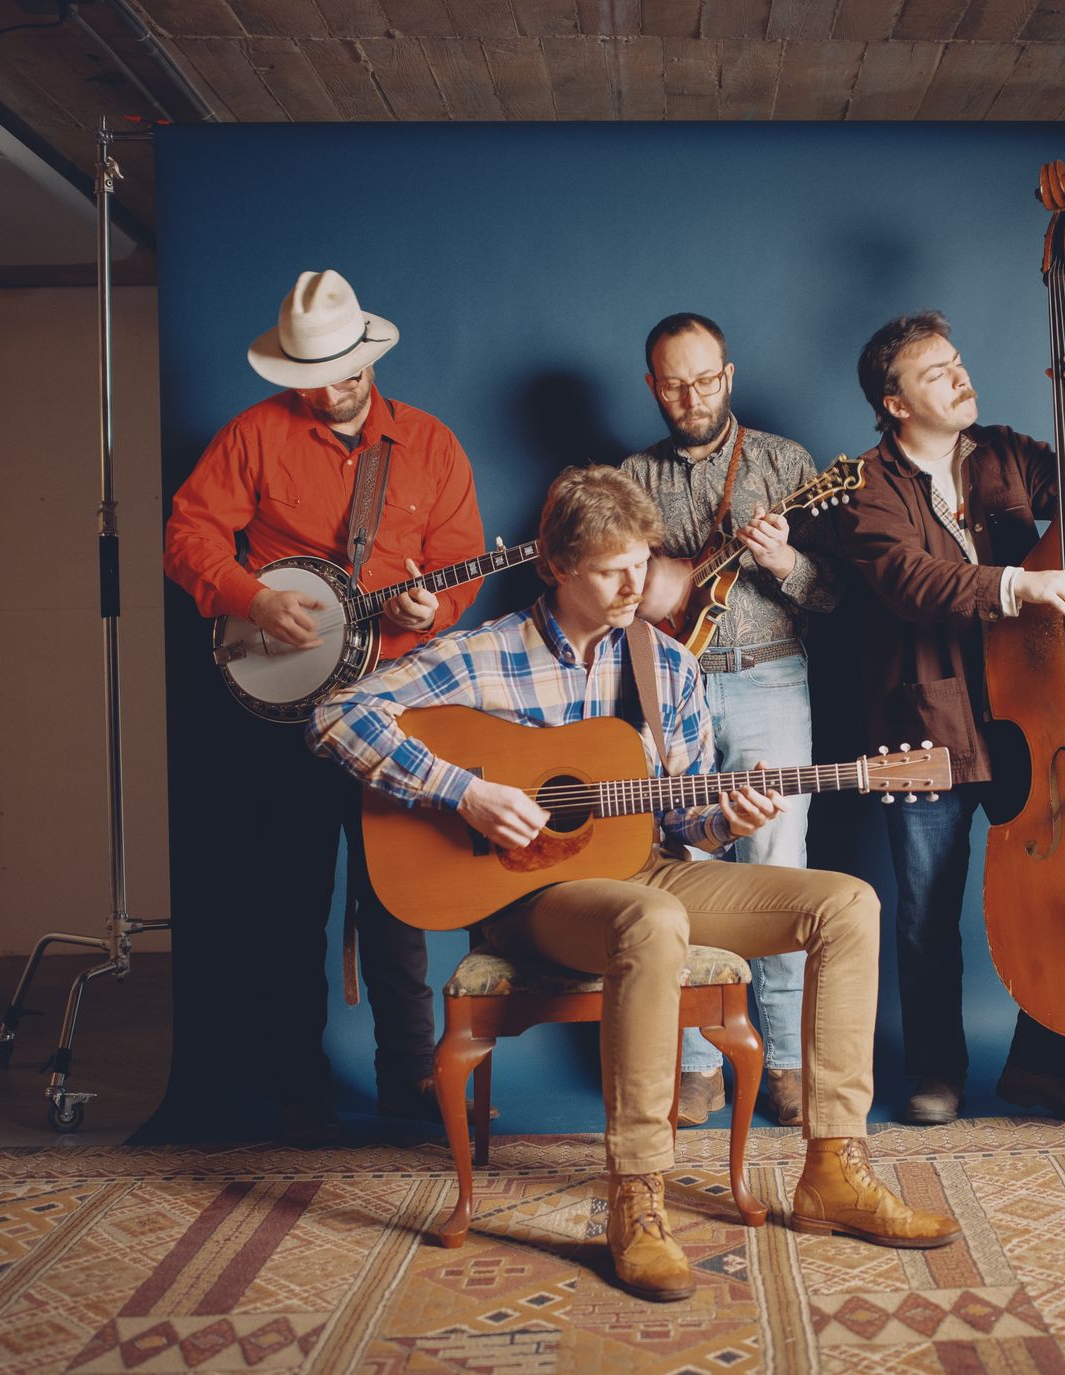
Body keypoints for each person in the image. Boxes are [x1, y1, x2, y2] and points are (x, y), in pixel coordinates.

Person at [310, 465, 958, 1302]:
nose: (632, 585)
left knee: (848, 903)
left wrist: (731, 816)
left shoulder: (666, 665)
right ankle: (638, 1197)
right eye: (611, 569)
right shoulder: (487, 653)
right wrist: (464, 792)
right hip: (529, 900)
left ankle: (834, 1168)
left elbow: (685, 819)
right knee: (651, 919)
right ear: (556, 565)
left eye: (641, 564)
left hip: (641, 871)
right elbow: (337, 715)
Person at [163, 269, 486, 1143]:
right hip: (284, 707)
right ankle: (296, 1082)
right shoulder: (253, 435)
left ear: (369, 359)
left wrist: (434, 607)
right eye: (310, 376)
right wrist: (246, 595)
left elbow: (455, 563)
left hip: (394, 702)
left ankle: (408, 1076)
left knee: (399, 900)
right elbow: (188, 531)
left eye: (342, 372)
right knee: (287, 899)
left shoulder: (430, 444)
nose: (328, 389)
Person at [834, 309, 1065, 1127]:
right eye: (937, 372)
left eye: (959, 362)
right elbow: (909, 582)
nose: (960, 377)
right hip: (924, 726)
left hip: (1031, 720)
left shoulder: (1004, 451)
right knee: (929, 913)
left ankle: (1045, 1065)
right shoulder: (862, 487)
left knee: (1061, 890)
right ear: (895, 402)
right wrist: (1022, 584)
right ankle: (936, 1073)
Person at [622, 313, 841, 1130]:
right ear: (652, 385)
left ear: (730, 374)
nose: (692, 395)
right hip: (663, 682)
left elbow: (833, 595)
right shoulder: (628, 476)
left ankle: (783, 1058)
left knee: (777, 863)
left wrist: (783, 560)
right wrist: (653, 586)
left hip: (769, 675)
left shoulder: (788, 465)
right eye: (674, 382)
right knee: (677, 864)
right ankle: (696, 1062)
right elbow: (611, 594)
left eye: (706, 378)